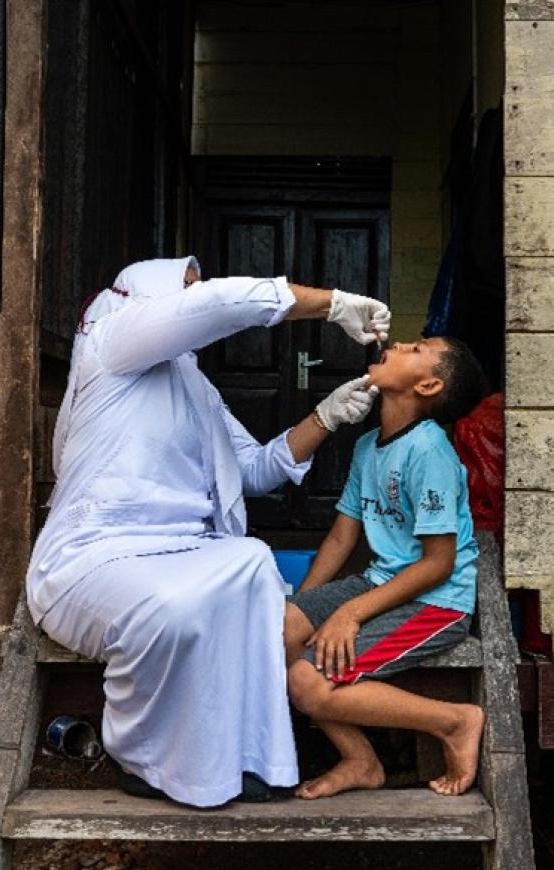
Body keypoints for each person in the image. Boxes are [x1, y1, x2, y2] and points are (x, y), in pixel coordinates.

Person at [26, 256, 389, 808]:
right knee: (172, 605)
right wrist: (331, 304)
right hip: (94, 557)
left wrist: (326, 417)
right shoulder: (110, 334)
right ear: (147, 291)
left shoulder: (193, 387)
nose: (192, 298)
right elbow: (219, 305)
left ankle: (246, 761)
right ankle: (141, 757)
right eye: (185, 289)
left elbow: (256, 470)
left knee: (250, 564)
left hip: (182, 551)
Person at [282, 336, 489, 799]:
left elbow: (439, 564)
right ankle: (360, 759)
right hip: (381, 584)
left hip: (434, 602)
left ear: (429, 385)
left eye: (416, 350)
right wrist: (307, 610)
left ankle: (455, 721)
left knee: (305, 680)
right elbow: (341, 537)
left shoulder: (429, 451)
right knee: (274, 631)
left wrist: (348, 614)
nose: (398, 344)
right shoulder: (369, 446)